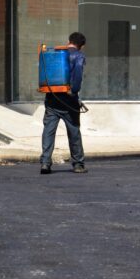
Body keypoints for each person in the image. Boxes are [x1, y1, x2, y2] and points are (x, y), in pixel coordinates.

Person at [40, 32, 88, 175]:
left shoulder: (55, 53)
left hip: (52, 98)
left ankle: (45, 163)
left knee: (48, 131)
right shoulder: (78, 56)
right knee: (74, 132)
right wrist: (74, 91)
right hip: (69, 101)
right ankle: (78, 164)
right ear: (82, 46)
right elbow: (78, 73)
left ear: (69, 41)